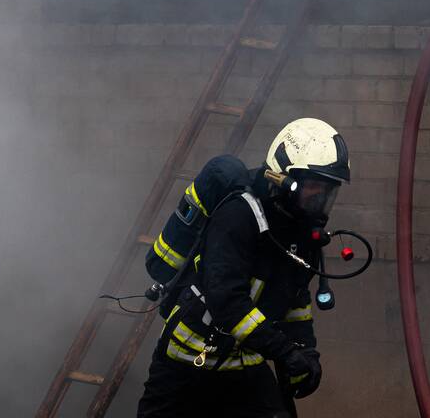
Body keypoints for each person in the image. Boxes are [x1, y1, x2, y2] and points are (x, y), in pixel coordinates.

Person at [137, 117, 350, 418]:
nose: (320, 199)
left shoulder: (301, 230)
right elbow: (226, 300)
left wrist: (305, 351)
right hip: (189, 359)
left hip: (244, 362)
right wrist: (284, 352)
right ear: (285, 180)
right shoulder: (239, 213)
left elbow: (295, 301)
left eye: (328, 191)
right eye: (314, 187)